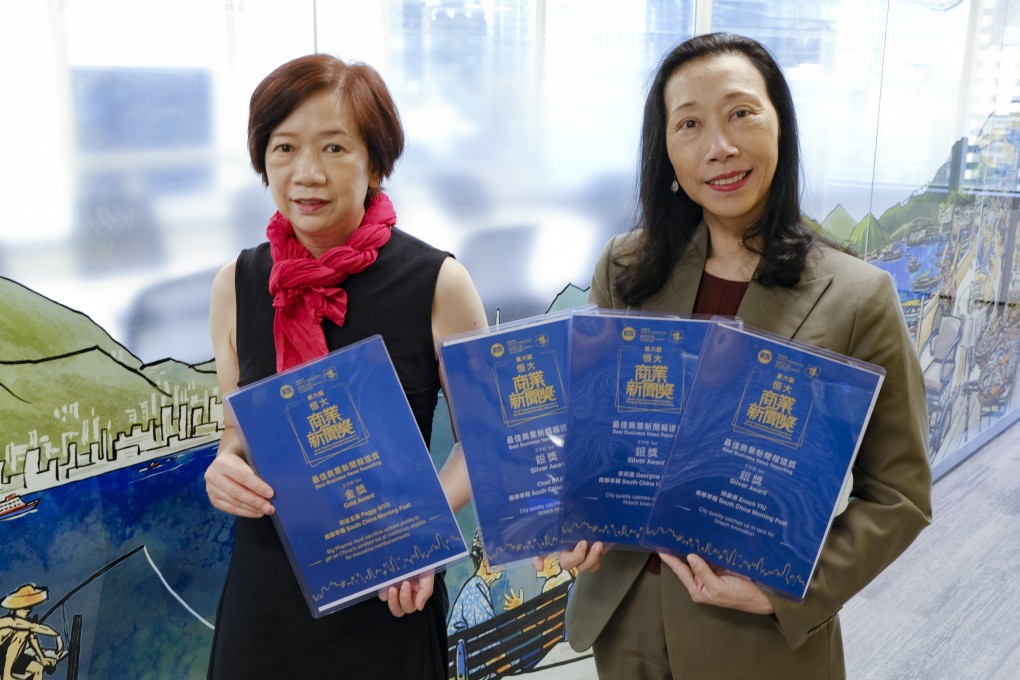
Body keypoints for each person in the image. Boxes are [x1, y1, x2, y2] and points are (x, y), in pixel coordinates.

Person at [559, 33, 932, 679]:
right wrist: (572, 510)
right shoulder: (625, 269)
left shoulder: (857, 295)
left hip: (756, 635)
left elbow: (900, 493)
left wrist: (790, 590)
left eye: (740, 113)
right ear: (667, 152)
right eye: (690, 124)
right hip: (626, 614)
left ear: (779, 125)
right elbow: (597, 433)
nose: (719, 147)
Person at [203, 54, 484, 679]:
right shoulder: (238, 283)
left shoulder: (437, 283)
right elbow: (239, 434)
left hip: (389, 586)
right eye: (284, 149)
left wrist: (420, 533)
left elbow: (484, 444)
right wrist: (223, 468)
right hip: (266, 593)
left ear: (376, 163)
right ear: (262, 161)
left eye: (334, 148)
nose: (307, 173)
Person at [0, 584, 65, 680]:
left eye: (30, 607)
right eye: (24, 607)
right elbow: (33, 627)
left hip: (13, 660)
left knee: (38, 667)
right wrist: (57, 635)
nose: (28, 610)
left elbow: (32, 638)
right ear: (15, 608)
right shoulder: (7, 620)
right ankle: (7, 675)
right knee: (22, 634)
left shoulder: (26, 624)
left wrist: (42, 658)